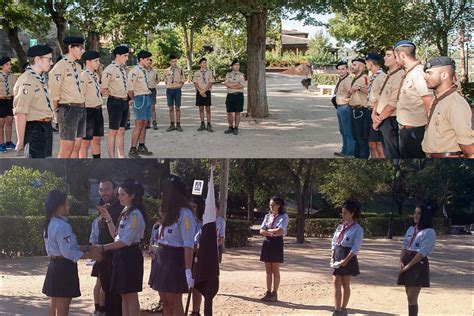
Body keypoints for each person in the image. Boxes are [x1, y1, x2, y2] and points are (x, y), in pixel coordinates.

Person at [42, 190, 102, 316]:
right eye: (67, 203)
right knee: (63, 309)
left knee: (53, 305)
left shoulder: (50, 223)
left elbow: (67, 246)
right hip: (63, 268)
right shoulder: (62, 226)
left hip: (54, 266)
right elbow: (68, 252)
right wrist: (92, 255)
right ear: (60, 206)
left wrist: (86, 248)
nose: (68, 206)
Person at [96, 180, 147, 316]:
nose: (119, 197)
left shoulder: (135, 214)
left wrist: (103, 247)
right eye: (119, 194)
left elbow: (125, 241)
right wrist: (107, 218)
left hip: (130, 256)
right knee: (123, 295)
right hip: (121, 256)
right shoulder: (125, 210)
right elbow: (116, 236)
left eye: (123, 194)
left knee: (130, 295)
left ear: (132, 196)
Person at [150, 175, 196, 315]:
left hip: (175, 259)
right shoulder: (167, 213)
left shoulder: (185, 214)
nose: (162, 194)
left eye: (166, 191)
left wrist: (188, 271)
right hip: (162, 257)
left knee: (174, 302)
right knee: (164, 301)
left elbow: (188, 244)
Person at [422, 56, 474, 158]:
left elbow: (467, 147)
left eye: (429, 73)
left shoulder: (455, 103)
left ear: (444, 75)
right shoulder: (439, 99)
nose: (425, 77)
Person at [13, 45, 54, 158]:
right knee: (35, 168)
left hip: (45, 126)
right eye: (49, 59)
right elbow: (20, 113)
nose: (51, 63)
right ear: (37, 59)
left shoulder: (39, 79)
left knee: (45, 167)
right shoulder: (27, 81)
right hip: (35, 129)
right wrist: (20, 141)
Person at [394, 40, 434, 158]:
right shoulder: (410, 73)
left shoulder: (418, 73)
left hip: (415, 132)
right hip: (407, 131)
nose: (396, 61)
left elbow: (429, 102)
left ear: (402, 55)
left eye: (396, 57)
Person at [48, 36, 86, 158]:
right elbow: (54, 91)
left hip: (80, 108)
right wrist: (56, 112)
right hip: (68, 109)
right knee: (67, 147)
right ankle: (59, 175)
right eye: (80, 48)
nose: (82, 51)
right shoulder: (60, 67)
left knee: (77, 146)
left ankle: (73, 174)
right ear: (70, 48)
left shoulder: (77, 67)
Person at [397, 203, 437, 316]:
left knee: (412, 297)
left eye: (419, 213)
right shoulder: (411, 229)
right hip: (406, 260)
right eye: (415, 213)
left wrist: (409, 265)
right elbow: (405, 246)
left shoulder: (429, 232)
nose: (415, 215)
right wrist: (401, 261)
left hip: (417, 263)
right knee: (408, 294)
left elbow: (422, 252)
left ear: (425, 216)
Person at [95, 179, 124, 316]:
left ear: (115, 189)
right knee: (105, 288)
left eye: (107, 189)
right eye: (101, 190)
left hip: (115, 256)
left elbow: (118, 236)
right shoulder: (103, 206)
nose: (103, 193)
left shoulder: (119, 208)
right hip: (103, 256)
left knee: (114, 294)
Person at [330, 199, 364, 316]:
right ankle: (337, 309)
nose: (343, 215)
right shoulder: (340, 227)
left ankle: (343, 309)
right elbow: (334, 242)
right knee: (336, 282)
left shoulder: (357, 229)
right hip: (338, 254)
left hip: (348, 256)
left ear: (352, 214)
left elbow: (356, 247)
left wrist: (346, 260)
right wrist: (332, 255)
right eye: (342, 212)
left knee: (345, 283)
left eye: (345, 213)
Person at [372, 46, 405, 158]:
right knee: (386, 151)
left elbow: (393, 104)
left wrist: (378, 119)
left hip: (390, 120)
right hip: (381, 118)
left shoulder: (400, 75)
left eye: (388, 55)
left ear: (397, 58)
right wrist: (373, 114)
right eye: (385, 55)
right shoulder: (389, 75)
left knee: (392, 153)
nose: (385, 58)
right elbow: (379, 96)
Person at [101, 45, 130, 158]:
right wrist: (113, 95)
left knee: (121, 130)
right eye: (125, 56)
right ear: (118, 56)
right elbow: (104, 87)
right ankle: (111, 157)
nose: (127, 58)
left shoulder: (122, 69)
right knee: (113, 131)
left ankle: (121, 155)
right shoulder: (110, 69)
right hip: (115, 102)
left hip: (124, 101)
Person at [259, 196, 290, 303]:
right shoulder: (267, 216)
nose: (271, 207)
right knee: (268, 270)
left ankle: (274, 293)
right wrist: (271, 232)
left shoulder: (284, 216)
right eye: (270, 205)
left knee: (275, 270)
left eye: (274, 205)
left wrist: (268, 230)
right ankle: (268, 291)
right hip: (267, 242)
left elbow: (280, 230)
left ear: (279, 205)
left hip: (277, 243)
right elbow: (261, 231)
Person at [127, 50, 154, 158]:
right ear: (141, 59)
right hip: (140, 98)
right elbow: (130, 88)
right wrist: (134, 98)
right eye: (147, 59)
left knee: (145, 123)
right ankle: (132, 149)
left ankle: (141, 146)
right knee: (139, 124)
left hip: (147, 97)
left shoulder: (144, 71)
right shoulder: (135, 71)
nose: (149, 61)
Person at [79, 50, 104, 159]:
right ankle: (83, 166)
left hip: (98, 110)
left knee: (97, 139)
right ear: (88, 62)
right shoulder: (83, 76)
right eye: (96, 61)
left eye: (98, 60)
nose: (98, 63)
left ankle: (97, 164)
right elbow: (81, 96)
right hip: (87, 111)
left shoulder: (95, 75)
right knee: (85, 142)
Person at [366, 53, 387, 159]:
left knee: (379, 144)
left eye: (367, 63)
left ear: (370, 63)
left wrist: (375, 114)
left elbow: (381, 97)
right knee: (372, 144)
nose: (366, 65)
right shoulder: (373, 77)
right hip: (370, 111)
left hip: (377, 113)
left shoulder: (382, 77)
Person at [333, 61, 355, 158]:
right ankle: (344, 150)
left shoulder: (348, 80)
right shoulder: (341, 79)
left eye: (343, 69)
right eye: (339, 69)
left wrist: (348, 101)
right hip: (339, 107)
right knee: (342, 130)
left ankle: (350, 152)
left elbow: (352, 93)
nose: (341, 71)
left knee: (348, 131)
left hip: (345, 107)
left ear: (347, 69)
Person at [348, 58, 370, 158]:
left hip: (361, 111)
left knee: (362, 139)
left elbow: (371, 92)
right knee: (356, 137)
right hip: (353, 110)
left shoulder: (365, 78)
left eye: (354, 65)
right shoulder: (355, 78)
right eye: (352, 64)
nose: (352, 67)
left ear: (361, 67)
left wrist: (359, 88)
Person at [89, 212, 106, 316]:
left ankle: (97, 307)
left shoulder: (95, 221)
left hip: (98, 253)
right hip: (104, 254)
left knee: (99, 282)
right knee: (103, 283)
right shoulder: (101, 221)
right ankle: (102, 309)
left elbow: (92, 239)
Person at [223, 60, 246, 136]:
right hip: (230, 95)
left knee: (237, 112)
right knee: (229, 112)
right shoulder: (228, 74)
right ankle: (230, 127)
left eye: (238, 65)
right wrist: (236, 84)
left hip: (239, 95)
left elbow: (242, 85)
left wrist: (231, 85)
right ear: (232, 66)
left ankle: (236, 128)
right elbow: (226, 83)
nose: (237, 66)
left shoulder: (241, 75)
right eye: (235, 65)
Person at [0, 57, 17, 152]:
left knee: (9, 121)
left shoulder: (12, 76)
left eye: (10, 64)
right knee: (1, 124)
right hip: (1, 101)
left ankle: (8, 142)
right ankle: (1, 144)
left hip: (10, 100)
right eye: (7, 64)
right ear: (2, 66)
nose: (9, 66)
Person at [164, 55, 185, 132]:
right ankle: (172, 124)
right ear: (169, 62)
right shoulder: (166, 70)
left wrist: (179, 86)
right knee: (170, 108)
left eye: (175, 61)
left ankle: (178, 124)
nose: (174, 63)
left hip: (177, 90)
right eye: (172, 61)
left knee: (178, 108)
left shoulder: (180, 70)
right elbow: (165, 80)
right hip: (169, 91)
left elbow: (183, 80)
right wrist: (170, 86)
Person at [193, 57, 214, 132]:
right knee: (201, 108)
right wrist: (200, 91)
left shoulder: (210, 72)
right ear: (200, 64)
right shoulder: (196, 73)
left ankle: (209, 124)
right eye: (203, 62)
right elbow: (195, 83)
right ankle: (202, 124)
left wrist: (204, 90)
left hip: (207, 92)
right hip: (199, 92)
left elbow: (211, 82)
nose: (204, 64)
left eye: (205, 62)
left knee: (208, 109)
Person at [146, 62, 160, 130]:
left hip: (152, 90)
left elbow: (158, 81)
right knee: (146, 107)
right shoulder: (142, 71)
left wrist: (156, 81)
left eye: (150, 63)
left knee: (152, 107)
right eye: (148, 63)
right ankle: (147, 122)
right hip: (144, 91)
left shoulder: (154, 72)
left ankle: (154, 123)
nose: (149, 64)